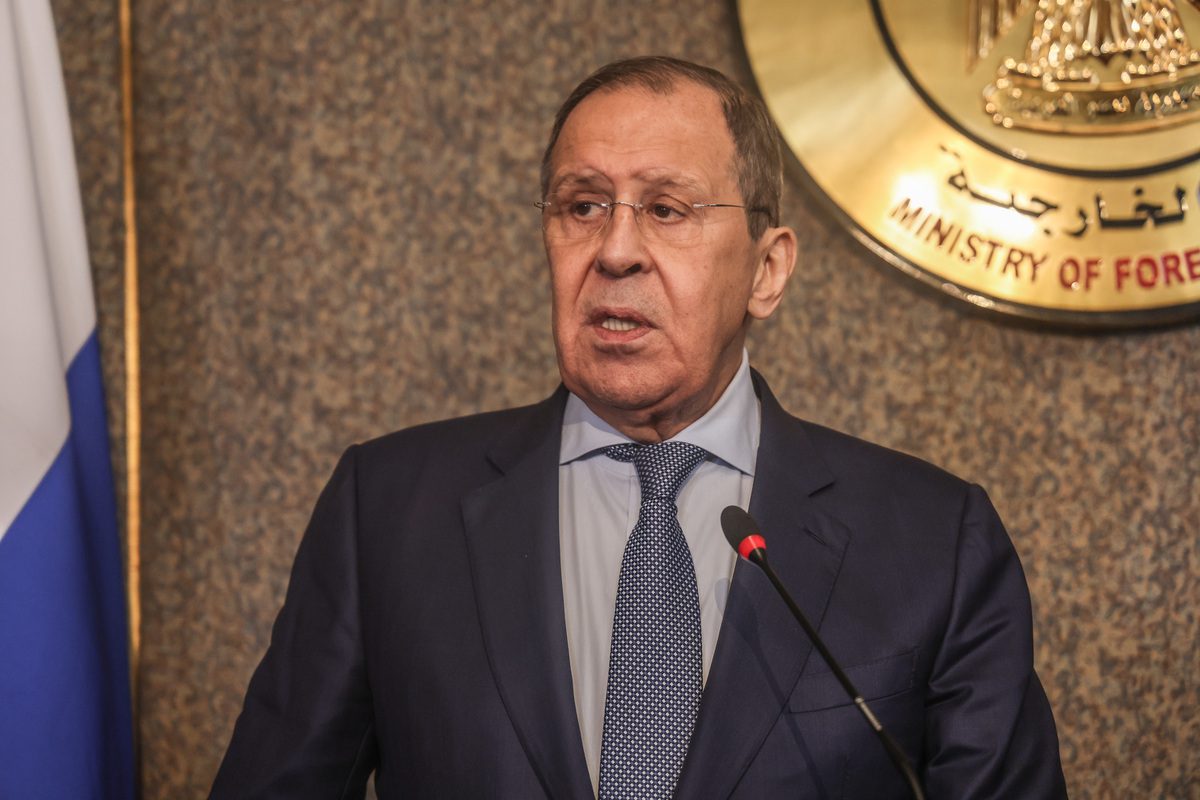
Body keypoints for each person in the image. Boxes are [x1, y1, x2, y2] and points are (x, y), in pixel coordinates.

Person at [212, 56, 1067, 799]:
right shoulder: (388, 512)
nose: (615, 251)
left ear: (767, 271)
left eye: (667, 209)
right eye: (583, 206)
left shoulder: (935, 542)